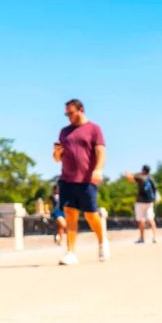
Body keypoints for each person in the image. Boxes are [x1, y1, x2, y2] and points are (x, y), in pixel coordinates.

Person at [53, 99, 109, 265]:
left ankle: (102, 242)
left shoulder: (94, 129)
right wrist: (57, 152)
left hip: (87, 179)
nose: (68, 116)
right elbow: (57, 159)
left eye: (71, 113)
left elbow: (101, 152)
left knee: (91, 215)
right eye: (66, 114)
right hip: (67, 179)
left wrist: (98, 169)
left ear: (81, 110)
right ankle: (71, 252)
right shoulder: (64, 132)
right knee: (70, 214)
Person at [125, 165, 158, 244]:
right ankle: (154, 237)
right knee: (151, 219)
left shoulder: (140, 177)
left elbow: (131, 179)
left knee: (141, 220)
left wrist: (127, 174)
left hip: (140, 202)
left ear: (143, 170)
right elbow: (155, 189)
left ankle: (142, 238)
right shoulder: (151, 178)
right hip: (150, 202)